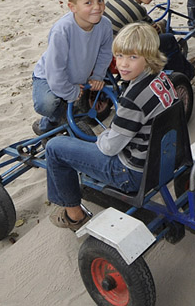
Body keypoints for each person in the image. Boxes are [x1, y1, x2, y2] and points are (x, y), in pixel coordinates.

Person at [45, 23, 180, 231]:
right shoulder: (162, 80)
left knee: (54, 148)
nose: (123, 65)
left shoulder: (133, 100)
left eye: (133, 57)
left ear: (149, 57)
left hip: (131, 173)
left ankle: (74, 216)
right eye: (119, 56)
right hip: (164, 160)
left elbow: (109, 148)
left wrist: (102, 135)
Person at [32, 0, 113, 134]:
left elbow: (105, 53)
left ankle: (60, 121)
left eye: (100, 0)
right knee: (48, 103)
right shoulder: (63, 30)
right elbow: (55, 69)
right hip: (48, 77)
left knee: (71, 109)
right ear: (72, 7)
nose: (97, 7)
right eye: (88, 3)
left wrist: (97, 76)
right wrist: (70, 92)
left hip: (77, 78)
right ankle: (45, 125)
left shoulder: (105, 25)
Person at [106, 0, 195, 79]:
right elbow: (153, 35)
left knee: (161, 25)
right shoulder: (137, 10)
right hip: (118, 55)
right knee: (169, 40)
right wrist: (158, 28)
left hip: (108, 48)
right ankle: (188, 72)